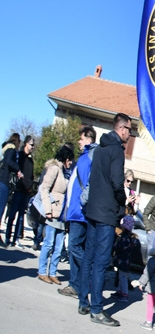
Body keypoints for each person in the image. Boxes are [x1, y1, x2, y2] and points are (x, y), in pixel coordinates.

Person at [81, 117, 131, 327]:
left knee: (89, 257)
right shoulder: (116, 151)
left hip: (93, 209)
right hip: (106, 212)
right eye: (129, 130)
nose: (130, 134)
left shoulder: (100, 149)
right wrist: (122, 202)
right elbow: (117, 182)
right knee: (101, 262)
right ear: (122, 129)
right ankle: (97, 310)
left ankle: (83, 302)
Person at [58, 127, 96, 301]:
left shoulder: (91, 156)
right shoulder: (83, 156)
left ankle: (90, 273)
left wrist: (82, 201)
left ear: (89, 139)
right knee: (74, 249)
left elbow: (91, 182)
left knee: (74, 246)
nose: (79, 142)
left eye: (81, 139)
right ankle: (75, 284)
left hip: (81, 211)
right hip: (74, 210)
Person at [36, 145, 73, 284]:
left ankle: (52, 273)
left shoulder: (64, 172)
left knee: (58, 247)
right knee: (48, 244)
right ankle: (42, 271)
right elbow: (44, 188)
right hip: (53, 213)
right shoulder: (54, 169)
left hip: (62, 215)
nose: (71, 163)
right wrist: (48, 210)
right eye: (70, 160)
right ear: (66, 158)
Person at [5, 136, 35, 246]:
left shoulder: (30, 160)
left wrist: (30, 187)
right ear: (26, 144)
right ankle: (8, 237)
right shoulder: (19, 156)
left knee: (21, 217)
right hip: (18, 189)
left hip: (26, 191)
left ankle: (16, 238)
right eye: (31, 144)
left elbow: (30, 176)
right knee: (12, 215)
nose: (33, 147)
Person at [112, 215, 144, 301]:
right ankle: (119, 291)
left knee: (123, 277)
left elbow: (118, 247)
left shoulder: (124, 238)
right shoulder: (131, 238)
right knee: (121, 276)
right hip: (126, 261)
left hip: (122, 261)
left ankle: (124, 294)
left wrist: (115, 243)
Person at [0, 133, 20, 234]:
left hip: (1, 180)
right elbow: (9, 161)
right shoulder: (12, 150)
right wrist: (18, 169)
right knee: (1, 208)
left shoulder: (5, 151)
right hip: (4, 182)